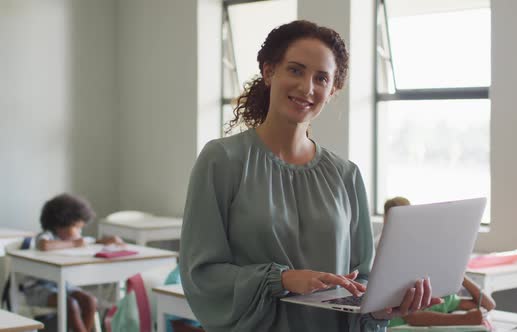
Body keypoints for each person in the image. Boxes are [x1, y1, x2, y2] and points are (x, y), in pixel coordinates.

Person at [179, 20, 441, 332]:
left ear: (333, 91)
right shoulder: (221, 161)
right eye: (295, 70)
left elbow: (362, 282)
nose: (307, 87)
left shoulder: (346, 175)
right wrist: (283, 278)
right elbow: (201, 275)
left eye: (321, 78)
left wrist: (386, 307)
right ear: (268, 71)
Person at [382, 196, 496, 327]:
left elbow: (489, 305)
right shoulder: (400, 264)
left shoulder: (445, 294)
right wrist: (463, 320)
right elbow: (412, 317)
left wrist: (459, 273)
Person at [22, 193, 123, 332]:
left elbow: (89, 241)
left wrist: (108, 240)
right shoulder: (47, 236)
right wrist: (74, 243)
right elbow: (44, 245)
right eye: (76, 227)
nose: (79, 232)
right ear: (60, 225)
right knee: (70, 304)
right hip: (37, 289)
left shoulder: (72, 240)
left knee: (90, 301)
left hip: (63, 286)